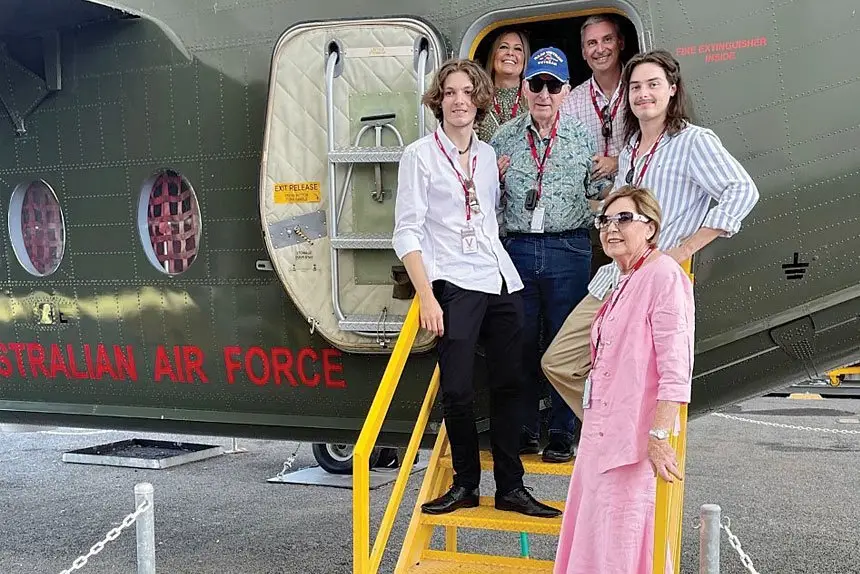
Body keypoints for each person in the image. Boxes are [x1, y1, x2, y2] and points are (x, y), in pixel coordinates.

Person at [541, 49, 760, 425]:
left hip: (654, 281)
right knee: (559, 361)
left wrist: (683, 250)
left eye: (653, 84)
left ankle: (627, 434)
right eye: (636, 87)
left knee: (638, 371)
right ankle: (613, 430)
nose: (643, 94)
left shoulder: (693, 141)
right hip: (616, 277)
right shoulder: (630, 150)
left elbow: (742, 191)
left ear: (672, 89)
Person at [392, 57, 560, 518]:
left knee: (510, 383)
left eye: (467, 92)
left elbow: (486, 215)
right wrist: (427, 295)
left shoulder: (487, 156)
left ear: (479, 100)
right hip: (453, 280)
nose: (459, 101)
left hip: (499, 277)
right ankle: (465, 484)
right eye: (450, 93)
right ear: (439, 101)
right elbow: (406, 232)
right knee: (458, 388)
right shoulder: (419, 156)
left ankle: (511, 487)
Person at [553, 185, 693, 574]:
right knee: (593, 537)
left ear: (651, 227)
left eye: (624, 219)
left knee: (622, 543)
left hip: (632, 443)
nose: (611, 228)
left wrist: (659, 437)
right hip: (601, 435)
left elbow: (676, 368)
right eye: (605, 220)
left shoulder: (663, 275)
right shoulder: (625, 277)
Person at [490, 47, 609, 463]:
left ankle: (562, 431)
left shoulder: (583, 138)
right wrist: (494, 178)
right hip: (518, 249)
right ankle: (524, 427)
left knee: (566, 342)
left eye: (553, 86)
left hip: (568, 248)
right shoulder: (503, 139)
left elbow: (598, 193)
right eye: (537, 84)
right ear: (524, 88)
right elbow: (488, 197)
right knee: (519, 342)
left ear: (566, 91)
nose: (544, 94)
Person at [561, 14, 628, 182]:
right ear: (584, 52)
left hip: (639, 189)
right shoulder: (572, 101)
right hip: (594, 192)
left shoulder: (639, 89)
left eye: (607, 39)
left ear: (621, 43)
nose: (600, 49)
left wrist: (618, 162)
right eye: (592, 43)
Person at [476, 28, 531, 142]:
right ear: (493, 55)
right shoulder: (477, 98)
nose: (510, 53)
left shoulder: (534, 98)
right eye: (503, 47)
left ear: (525, 58)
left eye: (518, 49)